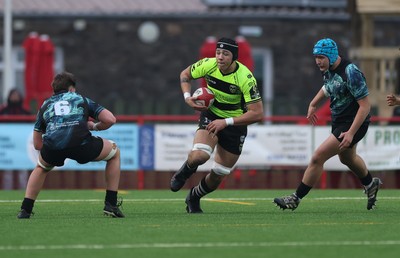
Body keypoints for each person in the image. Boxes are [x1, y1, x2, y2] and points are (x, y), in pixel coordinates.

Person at [273, 38, 382, 211]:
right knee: (347, 158)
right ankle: (370, 184)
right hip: (340, 121)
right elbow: (328, 88)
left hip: (352, 123)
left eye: (321, 57)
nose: (317, 61)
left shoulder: (350, 72)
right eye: (316, 57)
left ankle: (295, 198)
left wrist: (351, 132)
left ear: (331, 56)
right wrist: (313, 103)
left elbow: (365, 106)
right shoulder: (328, 68)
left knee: (318, 157)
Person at [170, 37, 264, 213]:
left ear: (234, 57)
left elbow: (257, 113)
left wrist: (226, 122)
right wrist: (187, 97)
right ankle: (184, 172)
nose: (220, 57)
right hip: (212, 116)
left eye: (225, 54)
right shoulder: (208, 64)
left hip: (234, 124)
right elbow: (185, 75)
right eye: (218, 53)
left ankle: (194, 196)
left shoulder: (246, 78)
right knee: (199, 156)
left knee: (219, 173)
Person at [17, 72, 124, 218]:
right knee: (114, 153)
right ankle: (111, 205)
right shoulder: (79, 98)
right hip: (82, 144)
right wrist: (93, 127)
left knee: (41, 167)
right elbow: (110, 119)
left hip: (53, 147)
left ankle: (25, 210)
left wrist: (53, 149)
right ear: (71, 88)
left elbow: (37, 144)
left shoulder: (45, 105)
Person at [0, 89, 31, 190]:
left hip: (21, 145)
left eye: (17, 95)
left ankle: (25, 191)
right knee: (7, 169)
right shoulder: (3, 111)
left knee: (23, 168)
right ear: (9, 97)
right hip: (7, 145)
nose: (15, 97)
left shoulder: (25, 112)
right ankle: (7, 191)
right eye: (13, 95)